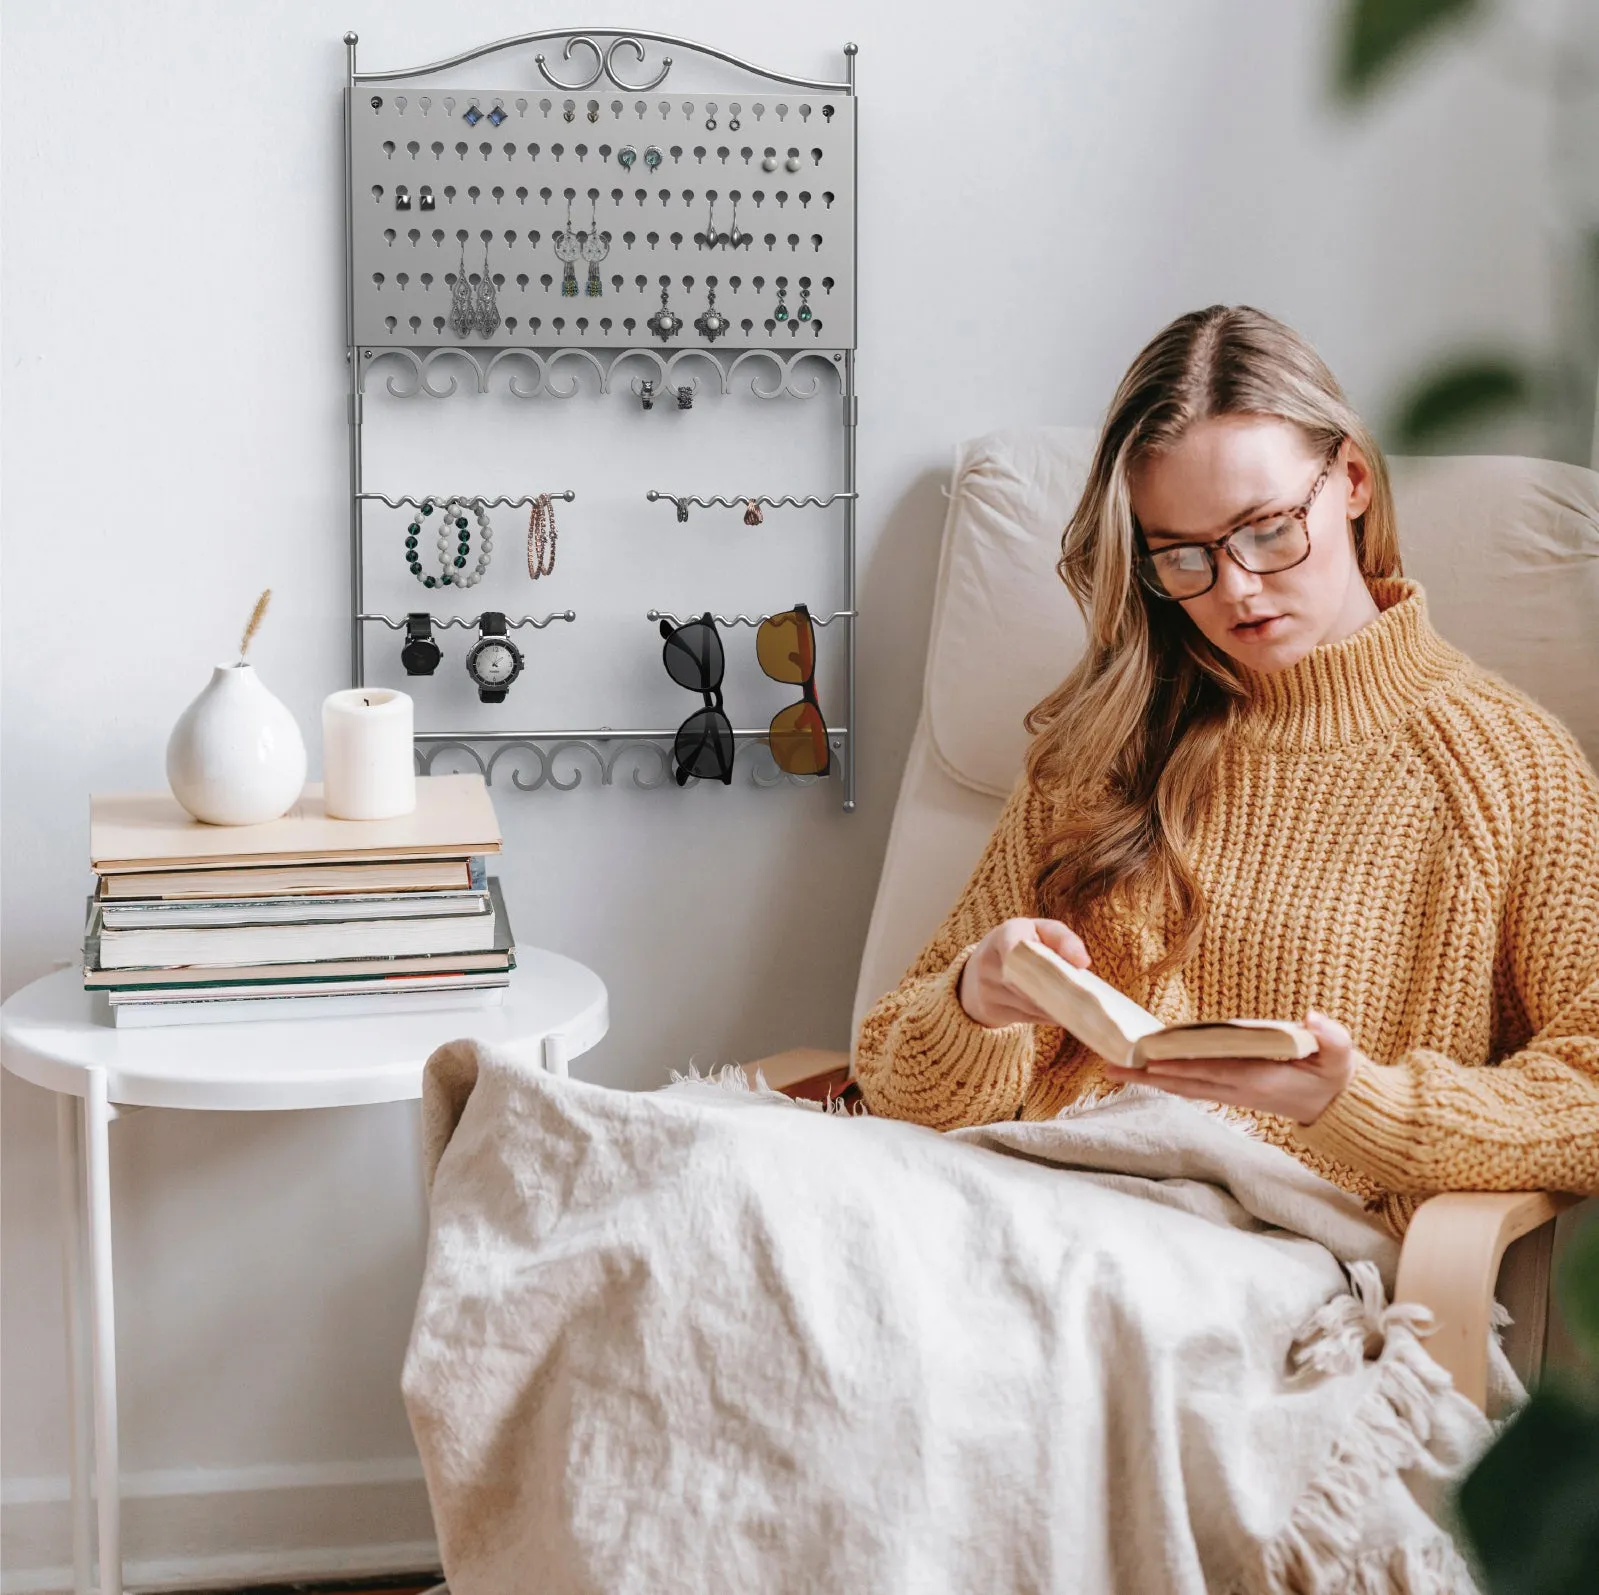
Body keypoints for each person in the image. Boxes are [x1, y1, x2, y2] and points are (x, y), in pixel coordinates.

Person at [855, 304, 1599, 1234]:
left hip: (1255, 1252)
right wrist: (973, 1002)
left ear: (1353, 481)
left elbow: (1589, 1093)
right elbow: (885, 1070)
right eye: (1181, 554)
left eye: (1266, 528)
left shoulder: (1506, 768)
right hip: (1019, 1202)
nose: (1235, 587)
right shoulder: (1107, 741)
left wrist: (1358, 1103)